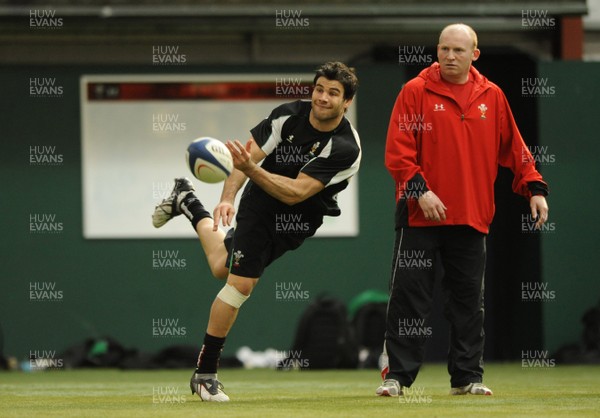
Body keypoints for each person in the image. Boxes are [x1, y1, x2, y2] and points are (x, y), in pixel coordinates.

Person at [152, 61, 361, 402]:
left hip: (298, 220)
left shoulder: (345, 148)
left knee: (222, 266)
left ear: (346, 102)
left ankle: (187, 202)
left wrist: (251, 168)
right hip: (260, 207)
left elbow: (295, 192)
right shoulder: (287, 116)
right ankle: (205, 373)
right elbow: (244, 157)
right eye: (319, 89)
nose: (323, 97)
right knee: (240, 286)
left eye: (333, 93)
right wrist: (227, 197)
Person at [376, 24, 549, 397]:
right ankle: (396, 378)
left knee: (469, 303)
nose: (449, 57)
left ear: (475, 54)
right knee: (410, 299)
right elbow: (398, 151)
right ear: (436, 51)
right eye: (443, 49)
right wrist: (420, 191)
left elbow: (514, 148)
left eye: (457, 50)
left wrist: (533, 187)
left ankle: (467, 378)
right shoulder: (415, 91)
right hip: (419, 217)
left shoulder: (493, 96)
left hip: (472, 216)